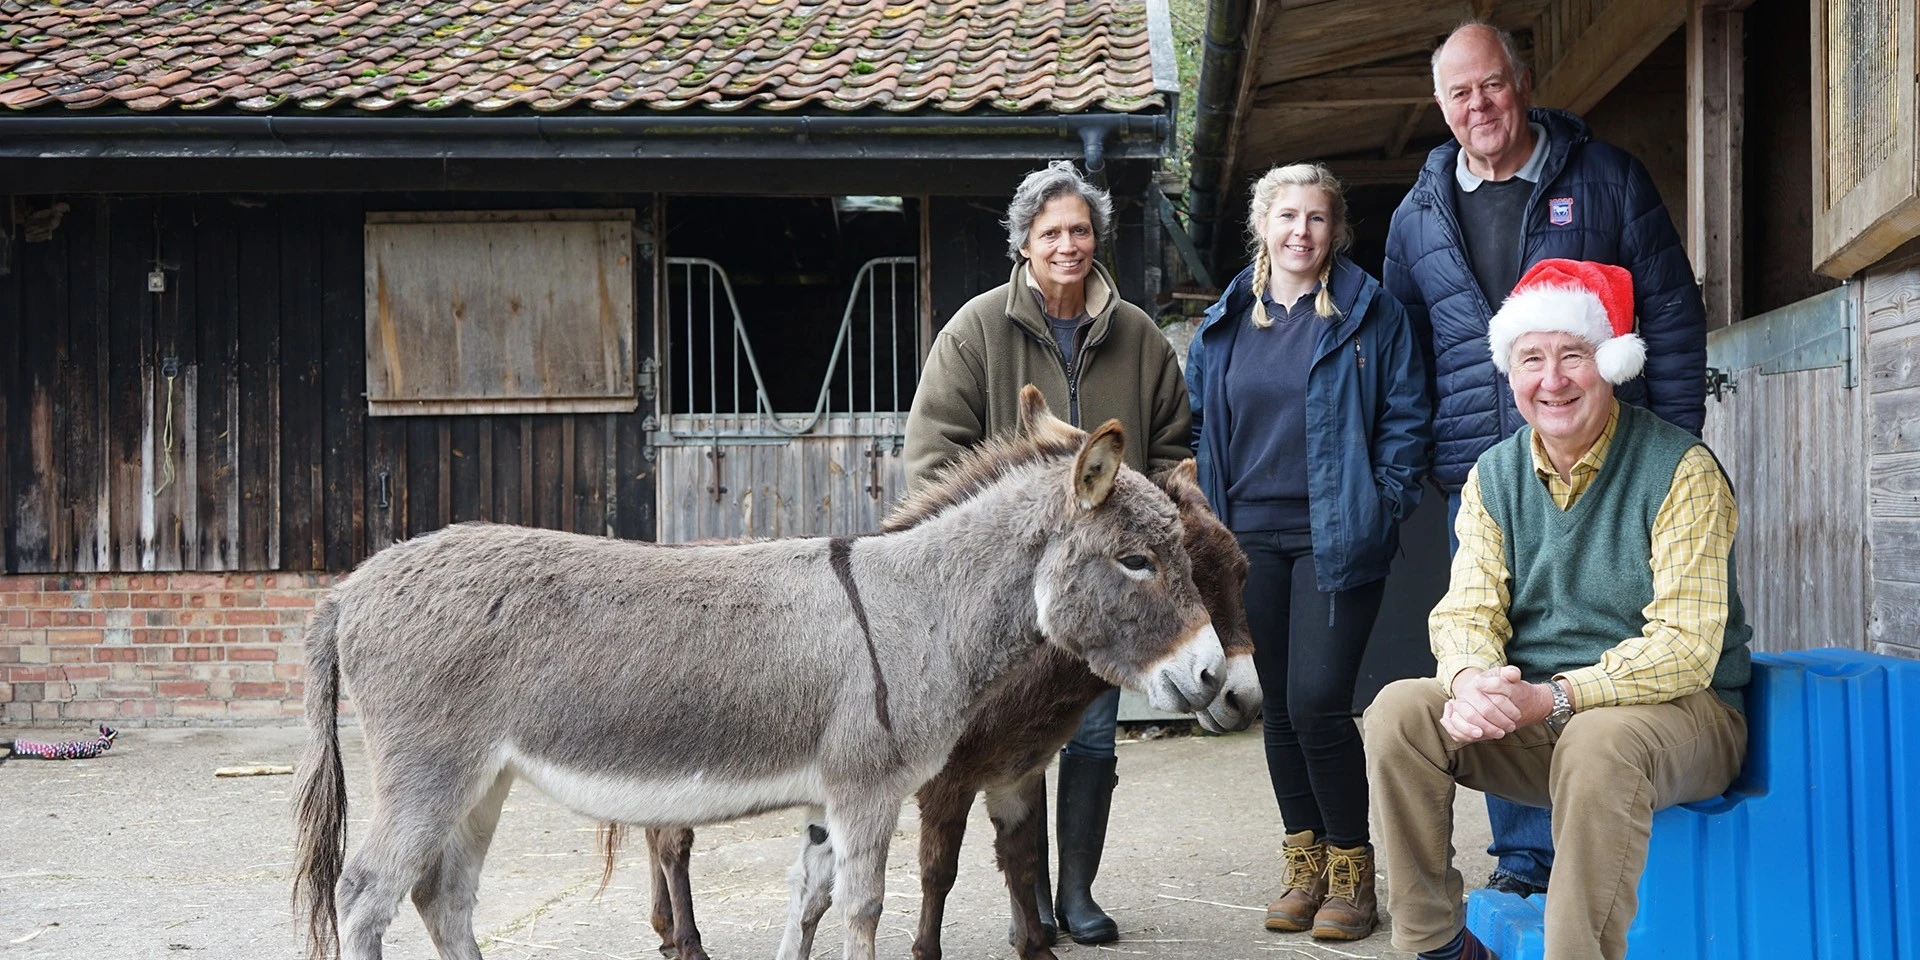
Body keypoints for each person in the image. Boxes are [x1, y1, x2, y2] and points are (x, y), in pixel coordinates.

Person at [1381, 20, 1710, 898]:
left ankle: (1614, 845)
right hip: (1483, 474)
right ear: (1441, 105)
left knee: (1613, 641)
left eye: (1492, 84)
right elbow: (1406, 354)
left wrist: (1676, 444)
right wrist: (1422, 463)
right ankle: (1527, 859)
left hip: (1613, 464)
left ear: (1522, 84)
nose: (1479, 105)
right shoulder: (1416, 217)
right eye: (1459, 92)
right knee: (1496, 647)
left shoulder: (1606, 179)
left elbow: (1671, 314)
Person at [1364, 258, 1751, 960]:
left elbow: (1687, 648)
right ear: (1509, 373)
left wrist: (1558, 697)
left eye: (1573, 355)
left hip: (1683, 718)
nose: (1552, 380)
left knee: (1597, 742)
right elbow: (1466, 611)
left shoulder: (1681, 469)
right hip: (1544, 716)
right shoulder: (1493, 475)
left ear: (1610, 363)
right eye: (1532, 359)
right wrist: (1471, 682)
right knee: (1399, 714)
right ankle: (1439, 946)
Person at [903, 159, 1191, 946]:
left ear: (1098, 238)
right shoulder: (974, 332)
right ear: (1024, 243)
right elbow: (931, 459)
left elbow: (1174, 448)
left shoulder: (1140, 338)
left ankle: (1078, 892)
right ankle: (1025, 902)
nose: (1069, 245)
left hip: (1106, 586)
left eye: (1081, 230)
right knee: (1008, 743)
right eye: (1052, 232)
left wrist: (1153, 526)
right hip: (1007, 595)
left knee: (1089, 737)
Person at [1186, 163, 1430, 941]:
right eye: (1287, 216)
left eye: (1317, 217)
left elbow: (1406, 418)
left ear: (1336, 229)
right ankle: (1305, 864)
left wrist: (1383, 503)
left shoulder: (1371, 312)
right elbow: (1200, 425)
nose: (1302, 231)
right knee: (1278, 706)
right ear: (1262, 224)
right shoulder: (1226, 320)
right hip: (1245, 540)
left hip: (1337, 532)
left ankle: (1352, 869)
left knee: (1320, 701)